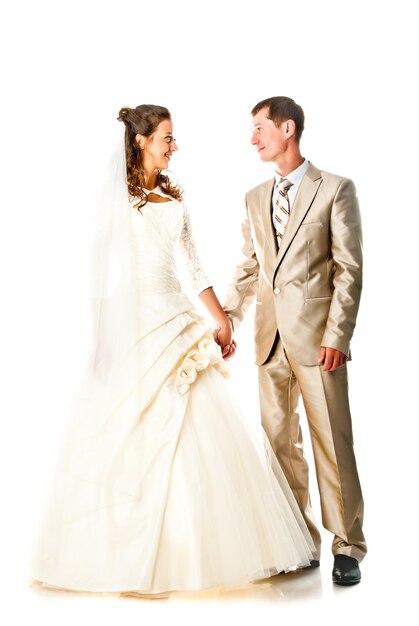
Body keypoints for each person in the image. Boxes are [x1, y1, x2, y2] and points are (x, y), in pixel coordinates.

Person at [29, 104, 315, 597]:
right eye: (167, 136)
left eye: (174, 137)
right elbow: (100, 272)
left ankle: (202, 552)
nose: (174, 145)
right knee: (130, 431)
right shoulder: (116, 196)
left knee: (199, 425)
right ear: (141, 140)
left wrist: (222, 319)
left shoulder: (174, 193)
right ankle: (128, 554)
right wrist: (101, 336)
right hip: (135, 323)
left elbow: (193, 265)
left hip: (176, 316)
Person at [218, 96, 366, 586]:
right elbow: (249, 269)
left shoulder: (335, 189)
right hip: (268, 342)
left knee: (332, 443)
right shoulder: (254, 197)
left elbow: (349, 270)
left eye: (259, 128)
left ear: (288, 128)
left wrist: (338, 335)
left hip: (319, 342)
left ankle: (348, 546)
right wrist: (227, 321)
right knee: (279, 445)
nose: (253, 138)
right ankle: (298, 542)